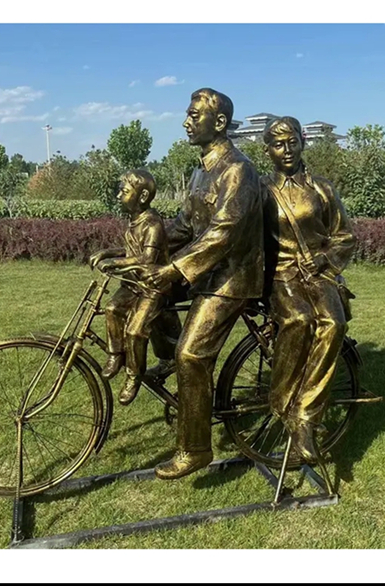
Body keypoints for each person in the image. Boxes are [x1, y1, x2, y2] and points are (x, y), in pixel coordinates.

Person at [142, 88, 264, 480]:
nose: (186, 122)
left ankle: (195, 449)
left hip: (232, 276)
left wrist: (175, 269)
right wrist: (145, 255)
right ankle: (167, 359)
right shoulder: (202, 169)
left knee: (192, 355)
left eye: (194, 116)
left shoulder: (238, 170)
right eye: (189, 114)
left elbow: (223, 233)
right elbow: (184, 226)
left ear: (220, 122)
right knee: (148, 294)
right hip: (206, 270)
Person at [261, 116, 356, 463]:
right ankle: (281, 401)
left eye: (293, 142)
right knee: (299, 320)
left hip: (318, 272)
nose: (287, 150)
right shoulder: (260, 191)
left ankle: (305, 416)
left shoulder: (322, 189)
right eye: (278, 144)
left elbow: (344, 235)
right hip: (280, 275)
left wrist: (325, 258)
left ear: (303, 143)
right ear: (267, 150)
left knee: (334, 324)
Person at [89, 169, 179, 406]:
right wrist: (107, 252)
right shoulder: (134, 221)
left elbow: (147, 259)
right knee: (112, 309)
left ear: (142, 196)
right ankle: (115, 355)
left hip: (154, 286)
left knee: (135, 331)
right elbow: (132, 252)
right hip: (134, 283)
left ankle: (134, 375)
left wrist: (115, 263)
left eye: (124, 191)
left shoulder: (152, 223)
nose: (119, 195)